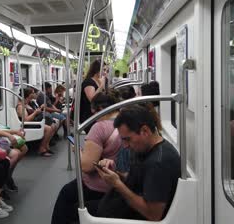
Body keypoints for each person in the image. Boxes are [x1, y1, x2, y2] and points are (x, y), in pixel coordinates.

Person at [91, 104, 180, 221]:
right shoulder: (143, 149)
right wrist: (116, 174)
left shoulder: (159, 163)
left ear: (145, 131)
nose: (125, 145)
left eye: (127, 139)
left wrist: (118, 184)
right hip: (120, 208)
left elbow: (153, 214)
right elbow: (140, 179)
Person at [51, 91, 122, 224]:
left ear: (100, 110)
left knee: (66, 194)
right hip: (124, 183)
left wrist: (78, 152)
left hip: (101, 186)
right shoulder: (127, 122)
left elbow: (87, 166)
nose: (94, 117)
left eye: (94, 113)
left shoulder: (100, 128)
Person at [16, 88, 56, 157]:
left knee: (53, 126)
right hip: (27, 125)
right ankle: (41, 149)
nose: (35, 94)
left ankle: (46, 146)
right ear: (29, 95)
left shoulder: (29, 103)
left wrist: (39, 109)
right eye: (33, 93)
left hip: (34, 122)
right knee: (48, 128)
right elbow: (26, 120)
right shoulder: (21, 106)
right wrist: (35, 112)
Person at [80, 60, 106, 133]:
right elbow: (92, 99)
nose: (105, 73)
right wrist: (101, 86)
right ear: (97, 70)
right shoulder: (88, 82)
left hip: (96, 114)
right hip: (89, 116)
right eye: (103, 70)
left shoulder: (98, 81)